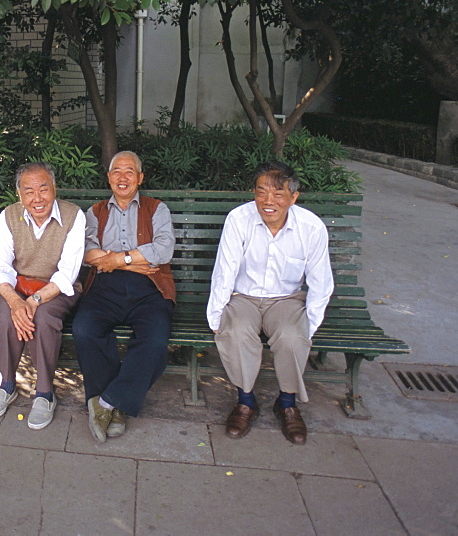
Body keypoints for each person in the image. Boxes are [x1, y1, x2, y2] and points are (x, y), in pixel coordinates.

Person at [206, 160, 333, 445]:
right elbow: (224, 271)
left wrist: (308, 328)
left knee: (291, 337)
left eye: (278, 193)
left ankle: (287, 403)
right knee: (235, 332)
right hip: (244, 297)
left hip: (286, 300)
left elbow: (321, 281)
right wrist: (216, 318)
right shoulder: (239, 219)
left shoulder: (310, 227)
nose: (268, 201)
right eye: (261, 192)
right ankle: (246, 401)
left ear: (293, 197)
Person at [73, 151, 176, 443]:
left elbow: (164, 248)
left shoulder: (157, 209)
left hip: (150, 286)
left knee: (155, 339)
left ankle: (106, 402)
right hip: (105, 286)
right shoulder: (94, 212)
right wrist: (135, 259)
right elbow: (85, 251)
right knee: (85, 330)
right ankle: (117, 408)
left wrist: (120, 259)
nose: (123, 177)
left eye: (129, 171)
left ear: (140, 178)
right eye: (116, 171)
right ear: (108, 178)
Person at [0, 162, 85, 429]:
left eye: (43, 189)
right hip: (19, 287)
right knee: (5, 319)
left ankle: (44, 393)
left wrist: (34, 301)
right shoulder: (9, 216)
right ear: (19, 195)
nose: (37, 198)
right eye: (29, 191)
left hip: (58, 289)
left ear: (54, 189)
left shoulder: (74, 215)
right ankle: (6, 385)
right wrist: (16, 302)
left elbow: (68, 273)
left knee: (43, 319)